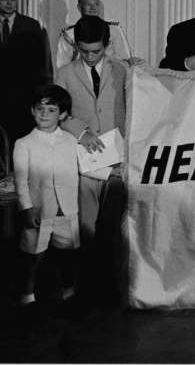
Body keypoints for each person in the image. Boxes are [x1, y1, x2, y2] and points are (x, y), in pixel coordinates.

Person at [55, 15, 128, 304]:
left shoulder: (122, 70)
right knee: (86, 226)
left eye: (95, 51)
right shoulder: (64, 74)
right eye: (83, 50)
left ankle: (111, 283)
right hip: (85, 162)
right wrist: (80, 131)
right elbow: (58, 113)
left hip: (118, 158)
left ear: (106, 45)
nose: (88, 56)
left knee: (112, 224)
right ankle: (88, 284)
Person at [13, 84, 80, 307]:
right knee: (34, 254)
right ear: (32, 111)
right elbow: (20, 181)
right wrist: (26, 207)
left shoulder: (71, 141)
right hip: (40, 209)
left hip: (66, 209)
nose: (44, 114)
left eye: (51, 110)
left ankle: (68, 289)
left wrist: (113, 171)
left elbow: (86, 168)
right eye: (40, 109)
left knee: (67, 253)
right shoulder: (23, 144)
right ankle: (27, 294)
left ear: (63, 115)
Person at [0, 0, 52, 143]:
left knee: (23, 141)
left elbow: (41, 63)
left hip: (25, 95)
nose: (9, 3)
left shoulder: (31, 25)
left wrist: (42, 92)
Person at [55, 0, 134, 70]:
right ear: (79, 7)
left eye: (96, 4)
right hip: (80, 78)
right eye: (89, 5)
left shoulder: (113, 30)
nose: (93, 8)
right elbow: (62, 64)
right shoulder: (69, 34)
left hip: (110, 76)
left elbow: (125, 58)